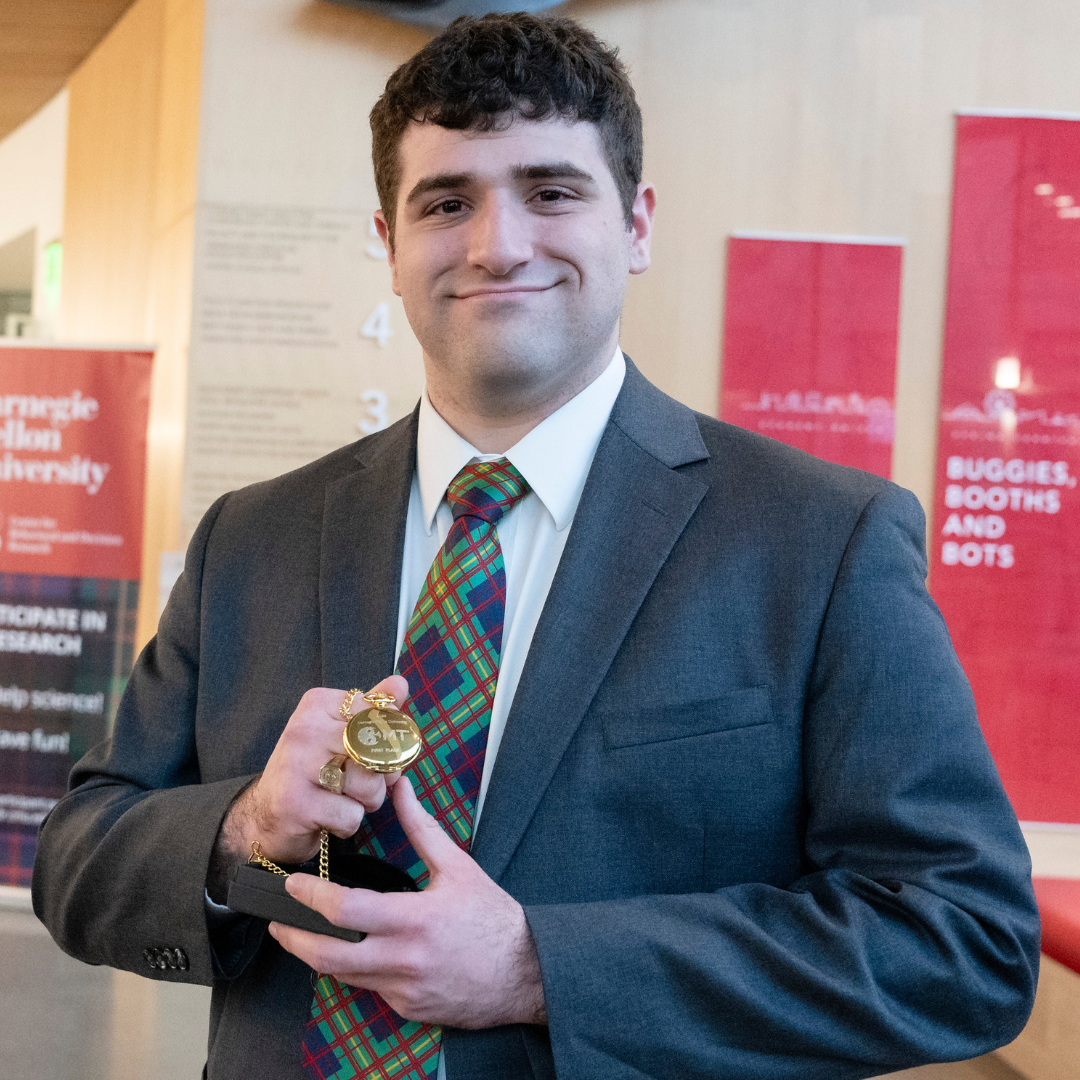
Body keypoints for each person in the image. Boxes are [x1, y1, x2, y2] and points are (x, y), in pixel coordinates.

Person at [33, 13, 1039, 1080]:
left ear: (638, 224)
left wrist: (539, 967)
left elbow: (961, 940)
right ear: (388, 241)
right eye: (445, 202)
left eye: (552, 192)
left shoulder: (821, 542)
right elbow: (79, 857)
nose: (497, 244)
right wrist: (242, 828)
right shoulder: (255, 537)